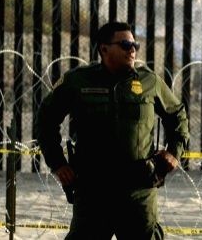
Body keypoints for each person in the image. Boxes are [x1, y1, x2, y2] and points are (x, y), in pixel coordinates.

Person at [37, 21, 189, 239]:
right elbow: (46, 119)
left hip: (138, 190)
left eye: (135, 44)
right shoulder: (78, 81)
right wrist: (57, 163)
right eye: (126, 44)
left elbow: (177, 115)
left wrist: (174, 151)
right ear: (104, 48)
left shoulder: (149, 81)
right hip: (93, 190)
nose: (133, 49)